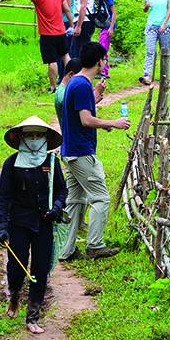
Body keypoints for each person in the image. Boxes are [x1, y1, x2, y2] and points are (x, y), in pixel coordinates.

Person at [0, 116, 67, 334]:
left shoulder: (52, 163)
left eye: (39, 135)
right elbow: (3, 198)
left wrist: (56, 206)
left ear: (45, 138)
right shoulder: (12, 163)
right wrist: (2, 226)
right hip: (19, 222)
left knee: (40, 269)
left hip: (44, 222)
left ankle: (33, 315)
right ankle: (15, 293)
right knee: (16, 268)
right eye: (30, 136)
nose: (35, 140)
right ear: (22, 139)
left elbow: (62, 190)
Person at [57, 41, 129, 261]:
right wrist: (114, 122)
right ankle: (95, 245)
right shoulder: (81, 85)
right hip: (80, 152)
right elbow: (86, 120)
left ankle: (65, 250)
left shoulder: (77, 83)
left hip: (70, 151)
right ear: (100, 61)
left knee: (75, 202)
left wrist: (102, 119)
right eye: (104, 59)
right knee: (100, 198)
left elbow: (82, 116)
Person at [0, 0, 73, 90]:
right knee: (65, 56)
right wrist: (71, 25)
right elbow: (67, 10)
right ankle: (73, 80)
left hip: (47, 34)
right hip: (61, 32)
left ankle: (53, 87)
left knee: (52, 61)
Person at [140, 0, 170, 85]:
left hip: (165, 25)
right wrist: (146, 5)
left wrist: (164, 24)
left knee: (165, 52)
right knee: (150, 51)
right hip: (151, 25)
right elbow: (144, 10)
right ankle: (147, 75)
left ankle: (164, 76)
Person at [92, 0, 115, 80]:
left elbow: (114, 12)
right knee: (103, 47)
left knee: (102, 49)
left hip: (108, 26)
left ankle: (104, 72)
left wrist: (111, 27)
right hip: (104, 26)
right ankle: (104, 70)